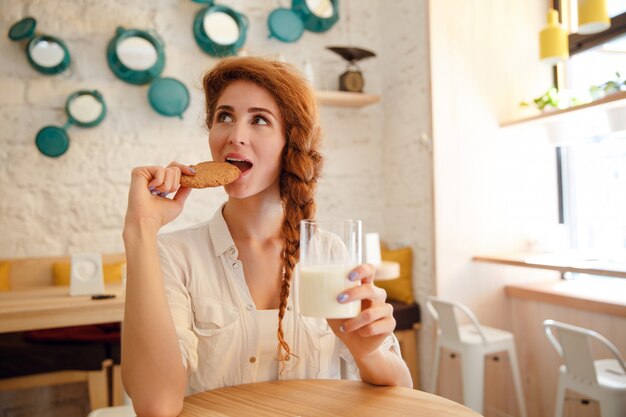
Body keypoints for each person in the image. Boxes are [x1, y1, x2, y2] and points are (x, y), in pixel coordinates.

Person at [121, 57, 412, 416]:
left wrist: (367, 352)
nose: (235, 135)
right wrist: (140, 230)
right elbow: (155, 407)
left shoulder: (328, 252)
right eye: (224, 116)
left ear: (290, 142)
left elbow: (401, 392)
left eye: (259, 119)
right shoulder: (173, 256)